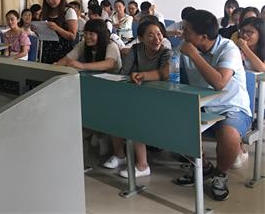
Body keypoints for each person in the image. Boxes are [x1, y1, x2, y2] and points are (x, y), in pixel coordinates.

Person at [174, 10, 251, 201]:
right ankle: (203, 167)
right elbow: (170, 70)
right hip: (201, 105)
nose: (182, 33)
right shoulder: (185, 46)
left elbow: (219, 82)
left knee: (229, 135)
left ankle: (220, 174)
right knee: (173, 123)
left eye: (187, 30)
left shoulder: (228, 48)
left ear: (203, 37)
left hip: (232, 108)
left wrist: (194, 55)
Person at [103, 20, 172, 177]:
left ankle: (142, 165)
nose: (157, 39)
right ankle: (120, 155)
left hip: (159, 98)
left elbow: (165, 74)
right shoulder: (136, 49)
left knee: (135, 116)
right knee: (113, 112)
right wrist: (131, 78)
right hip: (138, 94)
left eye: (159, 34)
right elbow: (124, 72)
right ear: (140, 38)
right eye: (151, 35)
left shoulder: (166, 53)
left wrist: (142, 75)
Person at [56, 19, 121, 73]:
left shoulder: (111, 45)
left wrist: (82, 66)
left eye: (91, 34)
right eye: (85, 33)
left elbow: (109, 64)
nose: (87, 37)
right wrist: (55, 67)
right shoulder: (83, 44)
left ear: (101, 35)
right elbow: (67, 59)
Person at [39, 0, 78, 64]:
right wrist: (37, 30)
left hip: (63, 53)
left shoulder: (69, 11)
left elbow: (72, 36)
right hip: (47, 52)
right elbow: (44, 34)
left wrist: (57, 28)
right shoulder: (45, 12)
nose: (50, 1)